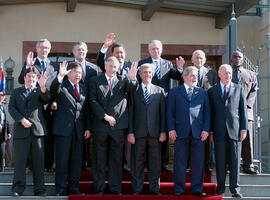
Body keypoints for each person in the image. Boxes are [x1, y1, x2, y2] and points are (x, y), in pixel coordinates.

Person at [89, 56, 138, 195]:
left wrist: (133, 79)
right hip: (100, 125)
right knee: (99, 159)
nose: (113, 69)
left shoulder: (124, 80)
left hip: (118, 126)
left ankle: (115, 189)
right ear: (105, 66)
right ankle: (99, 189)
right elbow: (92, 101)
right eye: (110, 66)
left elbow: (133, 89)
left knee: (116, 160)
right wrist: (105, 116)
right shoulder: (95, 80)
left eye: (115, 66)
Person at [138, 39, 185, 172]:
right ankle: (146, 163)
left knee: (163, 130)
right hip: (147, 102)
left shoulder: (167, 64)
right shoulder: (142, 63)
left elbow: (176, 77)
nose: (156, 51)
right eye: (153, 49)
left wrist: (180, 69)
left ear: (161, 49)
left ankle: (164, 163)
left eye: (158, 48)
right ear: (149, 50)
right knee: (148, 132)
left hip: (163, 101)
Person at [167, 66, 210, 197]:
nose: (195, 78)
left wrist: (206, 129)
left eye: (196, 75)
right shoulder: (175, 92)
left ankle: (197, 189)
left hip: (198, 132)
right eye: (192, 75)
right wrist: (171, 129)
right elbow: (170, 113)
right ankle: (179, 189)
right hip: (180, 132)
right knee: (179, 162)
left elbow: (207, 113)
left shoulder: (202, 92)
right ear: (184, 77)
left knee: (198, 163)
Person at [18, 38, 59, 172]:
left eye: (46, 47)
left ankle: (47, 165)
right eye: (41, 47)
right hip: (33, 108)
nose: (44, 50)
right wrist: (26, 66)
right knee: (32, 136)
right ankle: (30, 165)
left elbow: (58, 87)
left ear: (50, 49)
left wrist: (55, 101)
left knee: (48, 138)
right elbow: (20, 80)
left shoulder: (55, 66)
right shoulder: (31, 63)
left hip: (50, 108)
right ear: (37, 49)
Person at [50, 61, 90, 196]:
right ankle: (60, 190)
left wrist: (87, 128)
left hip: (79, 131)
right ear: (69, 73)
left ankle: (74, 188)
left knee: (76, 162)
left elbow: (86, 110)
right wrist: (60, 77)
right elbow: (54, 89)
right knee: (62, 162)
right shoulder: (62, 85)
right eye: (75, 72)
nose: (78, 75)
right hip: (63, 130)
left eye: (80, 72)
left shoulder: (84, 88)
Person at [208, 64, 248, 198]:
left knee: (235, 161)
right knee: (220, 161)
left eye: (230, 73)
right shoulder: (212, 91)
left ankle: (235, 189)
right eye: (225, 73)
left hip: (235, 131)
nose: (228, 75)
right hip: (218, 131)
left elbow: (243, 111)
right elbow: (210, 113)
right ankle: (220, 188)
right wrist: (211, 131)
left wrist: (244, 128)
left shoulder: (239, 88)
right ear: (219, 74)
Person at [9, 67, 49, 196]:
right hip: (21, 132)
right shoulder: (16, 92)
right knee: (20, 162)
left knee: (38, 163)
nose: (31, 79)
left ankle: (40, 189)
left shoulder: (39, 91)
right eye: (29, 76)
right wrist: (21, 119)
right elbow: (11, 108)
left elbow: (46, 99)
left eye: (34, 77)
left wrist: (43, 87)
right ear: (24, 78)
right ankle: (17, 189)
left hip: (37, 132)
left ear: (36, 79)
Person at [128, 63, 166, 195]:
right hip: (138, 133)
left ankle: (154, 189)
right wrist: (130, 132)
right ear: (139, 74)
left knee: (155, 163)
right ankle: (136, 189)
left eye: (150, 72)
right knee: (137, 163)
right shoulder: (134, 91)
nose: (148, 74)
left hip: (155, 133)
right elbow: (130, 113)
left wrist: (162, 131)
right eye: (145, 72)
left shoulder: (160, 91)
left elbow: (162, 114)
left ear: (153, 74)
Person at [96, 33, 132, 171]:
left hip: (124, 114)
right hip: (105, 117)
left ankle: (124, 166)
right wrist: (105, 46)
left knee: (122, 148)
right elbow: (100, 61)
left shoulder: (131, 66)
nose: (120, 55)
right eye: (117, 53)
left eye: (122, 53)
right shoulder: (107, 65)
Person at [72, 41, 101, 170]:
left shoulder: (93, 69)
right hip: (74, 109)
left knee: (89, 135)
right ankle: (76, 163)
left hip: (91, 107)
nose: (81, 52)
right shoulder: (68, 66)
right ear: (73, 52)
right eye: (78, 50)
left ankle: (88, 162)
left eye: (83, 50)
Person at [231, 50, 258, 174]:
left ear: (242, 59)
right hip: (231, 112)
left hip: (247, 112)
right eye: (235, 57)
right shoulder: (227, 72)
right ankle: (230, 165)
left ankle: (248, 165)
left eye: (239, 57)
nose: (237, 59)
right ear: (231, 59)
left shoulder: (251, 74)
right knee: (230, 139)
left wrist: (245, 106)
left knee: (247, 139)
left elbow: (253, 92)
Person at [191, 49, 218, 172]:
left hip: (207, 112)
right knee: (190, 138)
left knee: (206, 139)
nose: (199, 60)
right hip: (191, 112)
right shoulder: (187, 72)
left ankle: (207, 165)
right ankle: (190, 165)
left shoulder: (212, 74)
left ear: (205, 60)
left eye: (201, 58)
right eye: (196, 57)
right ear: (192, 60)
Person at [0, 91, 11, 172]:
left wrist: (9, 132)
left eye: (3, 95)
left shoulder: (3, 106)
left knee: (2, 151)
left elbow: (6, 121)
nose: (2, 96)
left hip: (2, 133)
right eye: (1, 95)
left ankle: (1, 169)